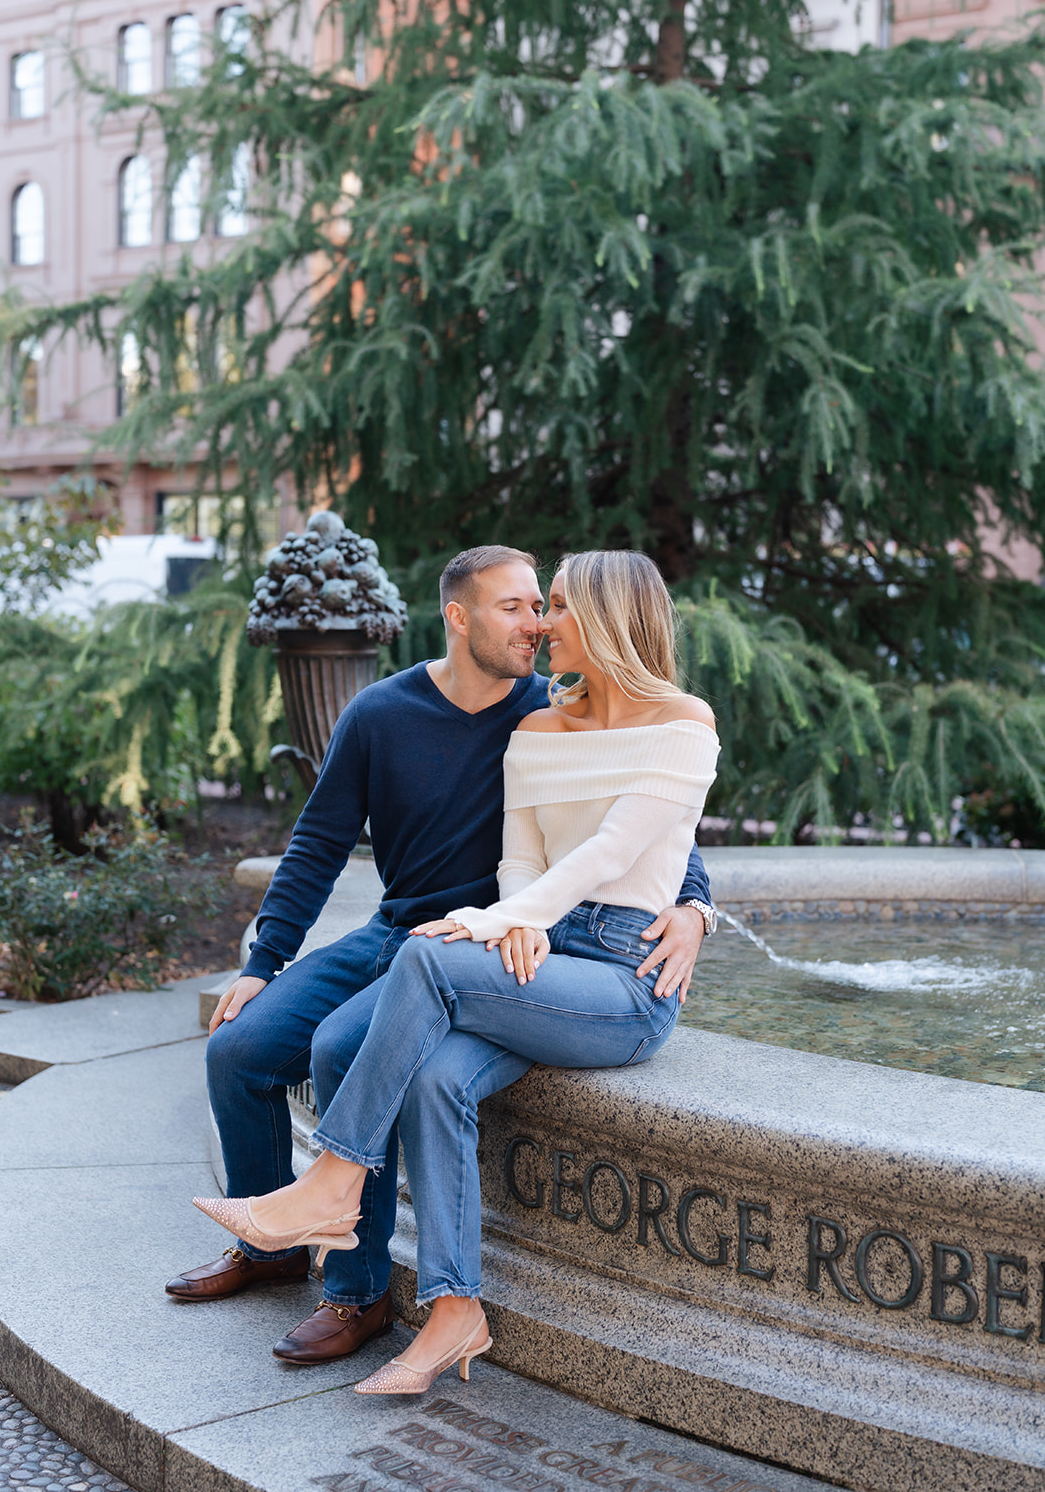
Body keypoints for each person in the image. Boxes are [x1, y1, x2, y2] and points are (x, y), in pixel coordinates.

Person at [172, 544, 716, 1369]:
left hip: (488, 940)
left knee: (338, 1048)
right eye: (517, 608)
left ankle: (353, 1294)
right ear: (458, 618)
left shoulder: (562, 703)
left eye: (545, 607)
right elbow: (317, 844)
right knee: (239, 1049)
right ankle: (272, 1245)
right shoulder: (385, 715)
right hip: (407, 931)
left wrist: (695, 908)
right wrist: (264, 959)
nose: (535, 625)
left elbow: (649, 830)